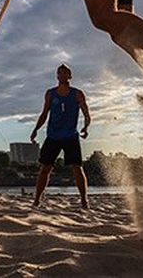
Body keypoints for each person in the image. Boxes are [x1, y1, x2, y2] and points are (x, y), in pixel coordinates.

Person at [30, 63, 91, 209]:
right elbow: (44, 113)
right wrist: (36, 129)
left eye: (65, 73)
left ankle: (84, 201)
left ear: (70, 76)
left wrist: (86, 127)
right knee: (45, 168)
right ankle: (37, 200)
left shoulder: (77, 93)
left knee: (77, 167)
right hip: (53, 136)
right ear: (57, 76)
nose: (62, 75)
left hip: (70, 136)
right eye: (60, 73)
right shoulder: (50, 93)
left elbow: (86, 113)